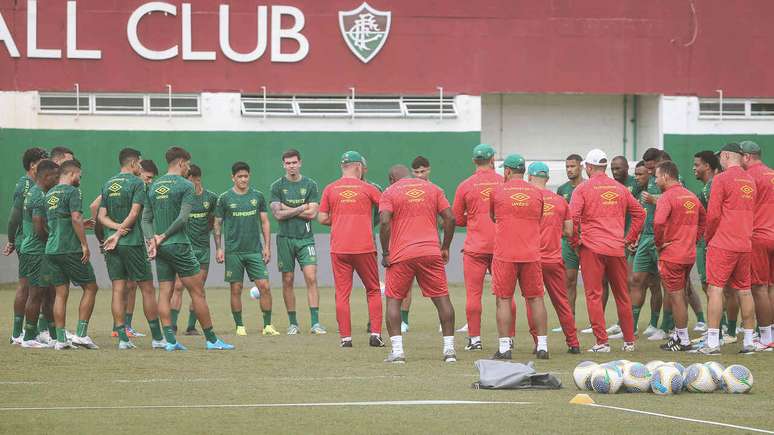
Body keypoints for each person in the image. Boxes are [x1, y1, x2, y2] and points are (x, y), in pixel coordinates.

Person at [142, 146, 234, 351]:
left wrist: (152, 240)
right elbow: (183, 218)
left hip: (160, 247)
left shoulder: (154, 186)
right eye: (188, 164)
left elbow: (146, 218)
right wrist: (165, 235)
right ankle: (211, 340)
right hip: (180, 245)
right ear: (182, 163)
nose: (189, 168)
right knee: (197, 292)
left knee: (165, 291)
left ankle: (170, 341)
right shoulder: (186, 186)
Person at [569, 149, 645, 352]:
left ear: (589, 167)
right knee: (622, 295)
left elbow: (573, 218)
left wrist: (576, 242)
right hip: (616, 249)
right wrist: (627, 240)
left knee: (594, 295)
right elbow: (640, 214)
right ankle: (629, 341)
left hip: (591, 248)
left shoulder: (582, 189)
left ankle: (602, 342)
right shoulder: (620, 189)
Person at [379, 165, 456, 363]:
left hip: (401, 254)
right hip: (430, 252)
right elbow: (450, 218)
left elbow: (385, 221)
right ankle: (449, 351)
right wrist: (445, 246)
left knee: (394, 300)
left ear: (391, 179)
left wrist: (386, 252)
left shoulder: (389, 192)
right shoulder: (433, 188)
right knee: (442, 300)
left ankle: (397, 352)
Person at [99, 148, 165, 349]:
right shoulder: (137, 183)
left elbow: (101, 216)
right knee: (147, 289)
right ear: (134, 163)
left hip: (111, 244)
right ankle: (157, 338)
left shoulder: (108, 183)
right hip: (132, 242)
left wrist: (114, 231)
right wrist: (120, 233)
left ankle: (122, 339)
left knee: (118, 289)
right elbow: (135, 212)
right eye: (140, 163)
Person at [318, 151, 384, 348]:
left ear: (342, 167)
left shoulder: (330, 189)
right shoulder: (368, 188)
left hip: (339, 248)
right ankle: (375, 335)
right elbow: (386, 209)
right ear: (358, 167)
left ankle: (346, 338)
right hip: (364, 247)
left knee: (342, 293)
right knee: (372, 290)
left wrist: (339, 218)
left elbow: (321, 218)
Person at [700, 143, 757, 355]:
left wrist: (708, 237)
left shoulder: (721, 179)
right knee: (744, 290)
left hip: (723, 243)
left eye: (720, 158)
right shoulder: (750, 180)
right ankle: (749, 341)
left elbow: (713, 215)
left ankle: (713, 342)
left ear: (725, 156)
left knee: (715, 289)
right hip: (744, 243)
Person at [214, 161, 276, 336]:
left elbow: (265, 222)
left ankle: (267, 326)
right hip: (234, 252)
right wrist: (218, 248)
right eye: (239, 176)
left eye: (246, 176)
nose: (243, 179)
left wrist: (267, 247)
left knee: (264, 286)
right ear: (232, 177)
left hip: (254, 251)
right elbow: (217, 224)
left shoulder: (257, 196)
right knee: (236, 289)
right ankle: (240, 326)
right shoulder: (224, 198)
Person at [451, 144, 503, 351]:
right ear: (493, 160)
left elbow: (456, 218)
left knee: (473, 295)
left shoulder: (465, 185)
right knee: (504, 295)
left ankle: (474, 339)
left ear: (474, 161)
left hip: (474, 247)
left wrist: (471, 218)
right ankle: (506, 339)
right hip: (501, 247)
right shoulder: (504, 183)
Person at [526, 161, 580, 354]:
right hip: (554, 259)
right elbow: (569, 231)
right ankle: (573, 343)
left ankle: (539, 343)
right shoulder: (560, 201)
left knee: (533, 301)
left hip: (532, 260)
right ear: (547, 179)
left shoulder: (526, 200)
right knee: (562, 302)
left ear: (529, 177)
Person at [45, 160, 100, 349]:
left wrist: (79, 223)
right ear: (72, 173)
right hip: (70, 248)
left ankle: (60, 340)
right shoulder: (72, 192)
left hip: (52, 249)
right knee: (91, 287)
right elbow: (75, 216)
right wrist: (84, 244)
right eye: (80, 176)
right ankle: (81, 335)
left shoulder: (50, 193)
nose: (80, 179)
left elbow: (58, 220)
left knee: (61, 293)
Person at [270, 149, 325, 335]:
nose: (291, 166)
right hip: (285, 239)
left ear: (300, 163)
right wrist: (302, 206)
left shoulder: (310, 184)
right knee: (288, 279)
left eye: (294, 162)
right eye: (288, 163)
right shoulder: (276, 186)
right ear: (283, 165)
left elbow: (313, 214)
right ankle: (293, 323)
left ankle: (315, 323)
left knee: (311, 277)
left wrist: (289, 208)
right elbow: (277, 214)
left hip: (305, 239)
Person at [652, 161, 706, 352]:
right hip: (688, 255)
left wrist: (659, 244)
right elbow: (703, 219)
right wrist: (693, 239)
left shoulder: (667, 197)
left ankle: (683, 339)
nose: (656, 180)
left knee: (676, 297)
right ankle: (678, 334)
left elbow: (658, 223)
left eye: (657, 176)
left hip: (672, 255)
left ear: (666, 176)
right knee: (680, 294)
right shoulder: (690, 195)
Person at [4, 147, 48, 345]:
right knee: (29, 287)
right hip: (28, 241)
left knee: (32, 287)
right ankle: (19, 333)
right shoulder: (26, 186)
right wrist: (12, 240)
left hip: (27, 241)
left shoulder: (35, 184)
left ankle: (27, 331)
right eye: (42, 160)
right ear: (32, 165)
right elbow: (14, 217)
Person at [17, 159, 59, 347]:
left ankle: (53, 335)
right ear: (47, 176)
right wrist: (54, 239)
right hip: (36, 251)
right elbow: (39, 228)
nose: (58, 181)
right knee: (36, 294)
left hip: (36, 250)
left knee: (48, 293)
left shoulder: (38, 192)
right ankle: (28, 337)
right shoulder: (39, 196)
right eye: (56, 177)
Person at [171, 164, 217, 335]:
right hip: (183, 249)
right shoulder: (180, 198)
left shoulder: (211, 198)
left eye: (188, 180)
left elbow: (213, 221)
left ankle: (191, 327)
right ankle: (173, 325)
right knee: (177, 286)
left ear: (197, 179)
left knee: (198, 289)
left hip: (203, 249)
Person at [739, 140, 774, 350]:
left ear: (746, 157)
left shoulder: (748, 177)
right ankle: (771, 334)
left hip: (759, 236)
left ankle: (765, 337)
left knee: (759, 288)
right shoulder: (772, 173)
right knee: (771, 287)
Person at [556, 154, 584, 316]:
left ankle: (595, 322)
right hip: (567, 241)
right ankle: (569, 319)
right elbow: (558, 215)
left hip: (586, 240)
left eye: (572, 166)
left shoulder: (588, 186)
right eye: (567, 166)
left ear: (581, 167)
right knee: (569, 280)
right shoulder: (562, 189)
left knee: (596, 283)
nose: (569, 169)